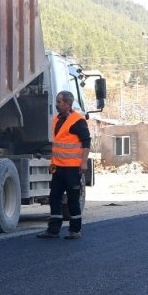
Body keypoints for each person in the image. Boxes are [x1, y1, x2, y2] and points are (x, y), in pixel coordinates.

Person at [37, 90, 92, 240]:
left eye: (59, 102)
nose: (56, 104)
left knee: (73, 199)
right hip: (57, 167)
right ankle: (53, 230)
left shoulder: (78, 121)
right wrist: (52, 166)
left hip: (72, 168)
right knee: (54, 196)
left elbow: (86, 142)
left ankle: (75, 230)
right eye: (57, 101)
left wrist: (83, 163)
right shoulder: (56, 119)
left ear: (68, 104)